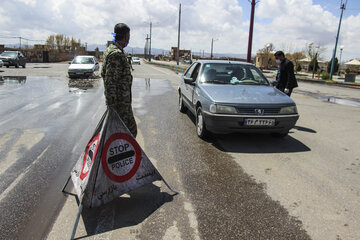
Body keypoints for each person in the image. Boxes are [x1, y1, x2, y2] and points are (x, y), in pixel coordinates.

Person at [101, 23, 137, 137]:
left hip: (121, 103)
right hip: (120, 106)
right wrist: (112, 108)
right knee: (130, 132)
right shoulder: (116, 54)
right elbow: (110, 82)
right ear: (125, 36)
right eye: (129, 36)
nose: (129, 38)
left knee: (123, 134)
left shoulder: (111, 50)